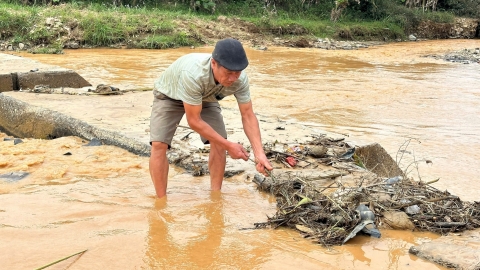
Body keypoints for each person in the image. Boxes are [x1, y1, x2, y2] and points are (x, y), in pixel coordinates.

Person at [149, 38, 273, 198]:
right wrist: (230, 145)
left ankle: (216, 196)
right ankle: (161, 201)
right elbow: (193, 120)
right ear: (214, 63)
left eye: (238, 73)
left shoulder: (239, 79)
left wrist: (259, 154)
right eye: (229, 73)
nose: (233, 78)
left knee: (219, 141)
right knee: (159, 144)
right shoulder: (193, 74)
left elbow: (248, 115)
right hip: (169, 95)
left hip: (205, 98)